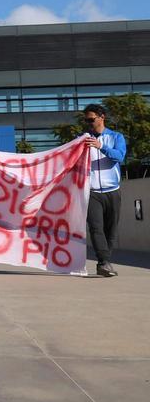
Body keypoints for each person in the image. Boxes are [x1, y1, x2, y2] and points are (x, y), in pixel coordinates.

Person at [82, 103, 127, 278]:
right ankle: (103, 262)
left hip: (112, 190)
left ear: (102, 117)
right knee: (96, 228)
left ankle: (105, 262)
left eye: (91, 119)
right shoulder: (83, 139)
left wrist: (100, 146)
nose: (89, 123)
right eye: (86, 120)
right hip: (92, 192)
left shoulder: (116, 137)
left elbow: (120, 156)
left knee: (111, 230)